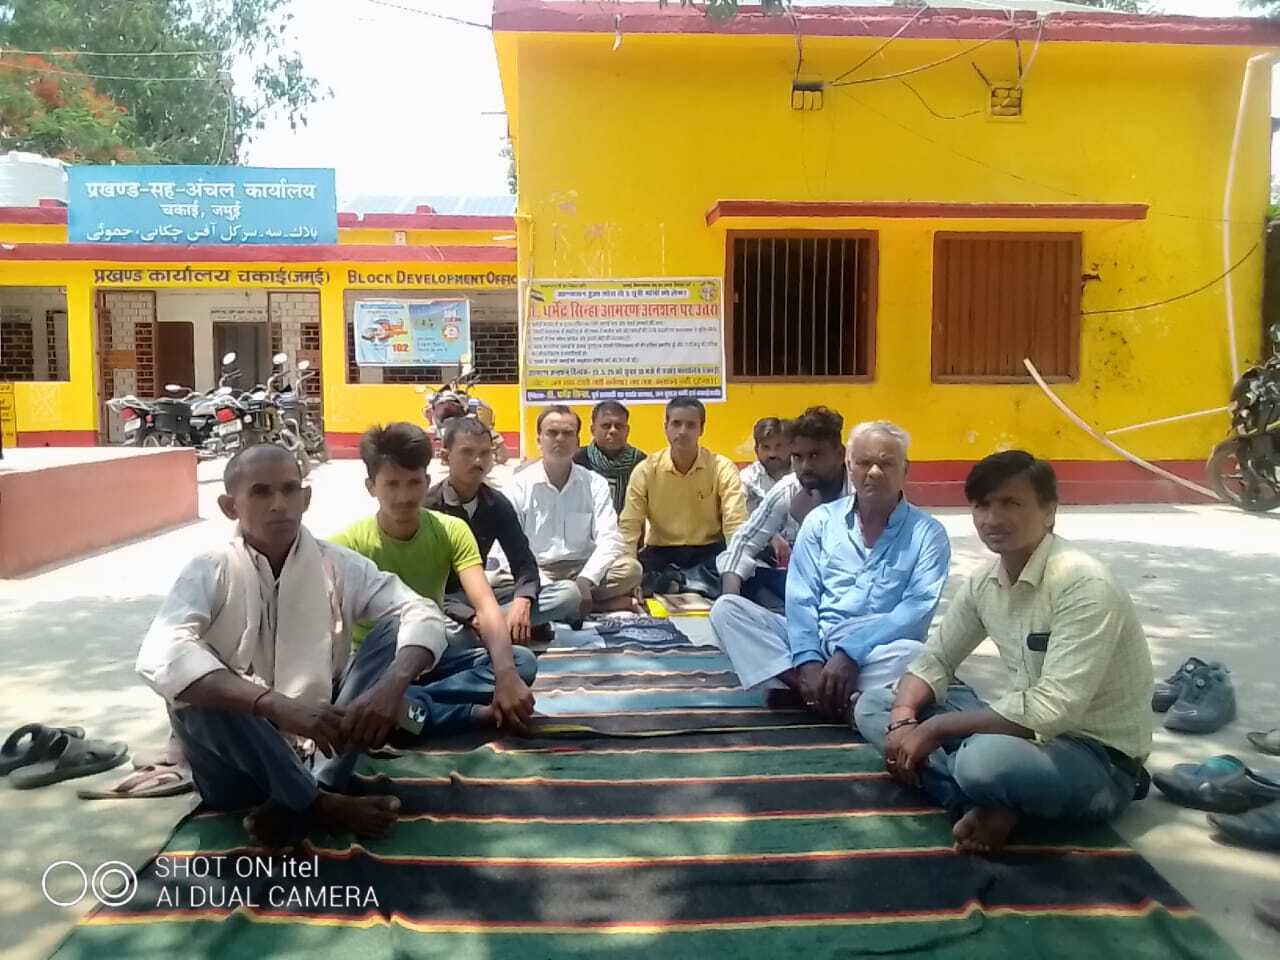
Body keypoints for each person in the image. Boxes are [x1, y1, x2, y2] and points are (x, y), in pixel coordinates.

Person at [135, 445, 447, 845]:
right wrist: (273, 704)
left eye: (289, 490)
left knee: (395, 631)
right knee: (197, 681)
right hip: (236, 773)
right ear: (230, 507)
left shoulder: (338, 564)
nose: (279, 504)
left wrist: (392, 686)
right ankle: (320, 803)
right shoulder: (209, 569)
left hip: (324, 745)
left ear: (306, 498)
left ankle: (300, 798)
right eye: (261, 492)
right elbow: (161, 654)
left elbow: (421, 611)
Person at [854, 451, 1154, 856]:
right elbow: (935, 659)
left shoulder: (1083, 584)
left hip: (1097, 758)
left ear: (1049, 511)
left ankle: (984, 794)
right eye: (982, 505)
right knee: (875, 704)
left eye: (1011, 503)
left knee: (981, 762)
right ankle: (989, 806)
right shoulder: (985, 582)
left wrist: (934, 730)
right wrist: (904, 718)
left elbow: (1053, 709)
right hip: (1025, 734)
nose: (993, 519)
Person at [711, 420, 950, 721]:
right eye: (864, 463)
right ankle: (816, 689)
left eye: (886, 463)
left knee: (916, 656)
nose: (874, 472)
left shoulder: (928, 534)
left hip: (877, 650)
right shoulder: (821, 521)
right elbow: (800, 598)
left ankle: (808, 692)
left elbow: (916, 612)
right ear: (849, 466)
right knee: (726, 610)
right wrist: (808, 658)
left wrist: (850, 652)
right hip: (819, 636)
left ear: (905, 469)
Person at [331, 422, 537, 734]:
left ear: (426, 481)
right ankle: (460, 714)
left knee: (522, 663)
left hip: (431, 655)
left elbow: (486, 606)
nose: (404, 496)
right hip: (375, 667)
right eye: (392, 484)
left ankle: (409, 709)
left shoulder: (451, 530)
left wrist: (506, 675)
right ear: (371, 486)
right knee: (394, 630)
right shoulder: (347, 545)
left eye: (413, 483)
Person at [425, 417, 575, 645]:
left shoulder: (495, 503)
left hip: (485, 597)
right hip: (443, 601)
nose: (477, 461)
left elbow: (523, 563)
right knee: (441, 631)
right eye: (467, 452)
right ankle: (499, 630)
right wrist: (472, 617)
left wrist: (522, 601)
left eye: (485, 453)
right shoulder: (428, 507)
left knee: (569, 595)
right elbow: (421, 586)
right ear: (445, 457)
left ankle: (495, 630)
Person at [503, 406, 643, 621]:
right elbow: (506, 547)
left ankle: (563, 605)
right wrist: (544, 584)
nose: (560, 439)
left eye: (567, 433)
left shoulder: (594, 483)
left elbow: (610, 539)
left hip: (581, 569)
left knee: (631, 570)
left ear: (578, 441)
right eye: (552, 433)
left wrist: (586, 579)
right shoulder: (518, 485)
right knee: (497, 578)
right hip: (536, 570)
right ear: (539, 440)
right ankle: (594, 605)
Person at [715, 406, 848, 613]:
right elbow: (743, 543)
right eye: (798, 457)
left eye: (815, 455)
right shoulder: (788, 488)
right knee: (737, 594)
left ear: (840, 455)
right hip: (801, 588)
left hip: (854, 593)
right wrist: (729, 602)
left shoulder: (862, 491)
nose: (805, 466)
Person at [618, 396, 748, 596]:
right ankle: (693, 584)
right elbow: (630, 526)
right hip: (661, 553)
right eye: (676, 424)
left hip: (708, 552)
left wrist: (733, 570)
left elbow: (735, 523)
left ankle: (676, 583)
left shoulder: (721, 468)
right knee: (630, 573)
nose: (683, 431)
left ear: (701, 429)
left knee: (743, 574)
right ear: (666, 427)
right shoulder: (646, 470)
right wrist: (629, 576)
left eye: (691, 425)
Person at [574, 400, 646, 515]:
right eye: (606, 426)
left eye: (619, 426)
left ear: (627, 431)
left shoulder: (641, 463)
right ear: (593, 430)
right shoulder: (577, 460)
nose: (613, 430)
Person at [739, 417, 791, 513]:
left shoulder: (802, 474)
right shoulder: (747, 478)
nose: (772, 454)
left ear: (790, 447)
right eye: (766, 447)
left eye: (779, 446)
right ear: (756, 449)